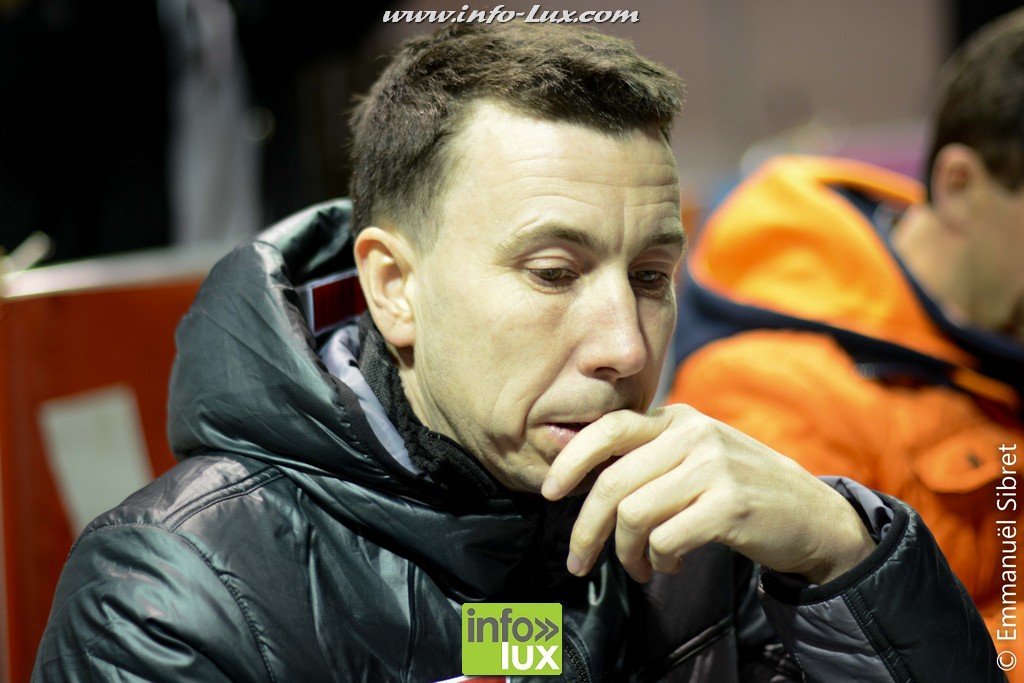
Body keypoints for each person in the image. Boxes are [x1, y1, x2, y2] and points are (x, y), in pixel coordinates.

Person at [32, 21, 1001, 682]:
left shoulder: (701, 530)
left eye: (651, 276)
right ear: (394, 288)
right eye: (552, 272)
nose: (624, 346)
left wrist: (848, 555)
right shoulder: (175, 592)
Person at [667, 7, 1024, 679]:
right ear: (960, 186)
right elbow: (814, 661)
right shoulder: (774, 389)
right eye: (555, 272)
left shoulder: (990, 342)